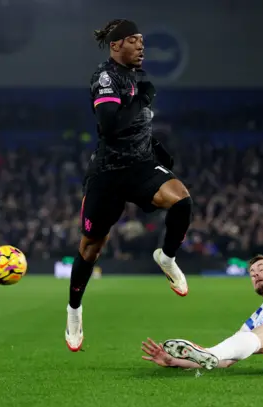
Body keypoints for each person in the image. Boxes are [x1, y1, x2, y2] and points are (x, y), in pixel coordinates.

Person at [65, 19, 192, 352]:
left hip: (139, 167)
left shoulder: (138, 78)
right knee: (91, 247)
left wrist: (156, 149)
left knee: (182, 200)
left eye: (142, 41)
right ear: (116, 45)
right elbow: (110, 125)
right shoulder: (105, 77)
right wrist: (141, 100)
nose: (141, 47)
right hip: (108, 174)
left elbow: (137, 127)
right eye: (134, 41)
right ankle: (74, 310)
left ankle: (166, 257)